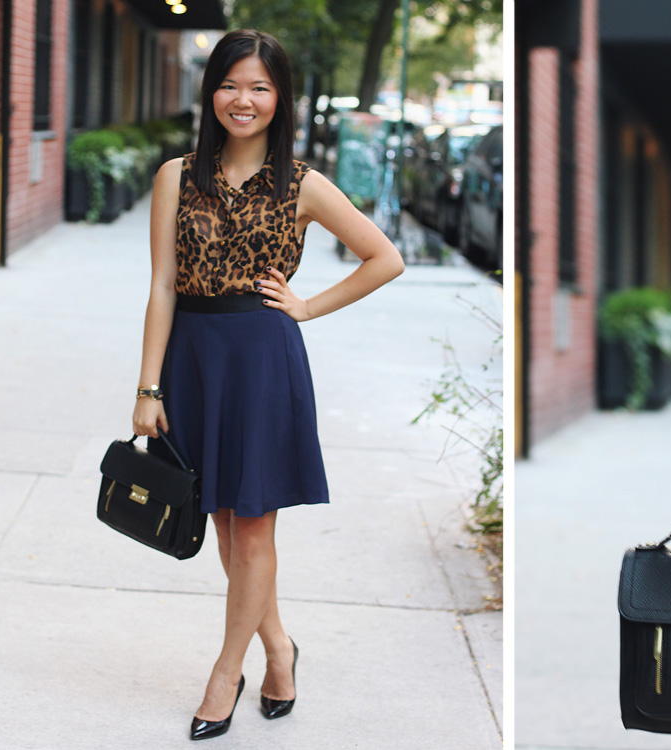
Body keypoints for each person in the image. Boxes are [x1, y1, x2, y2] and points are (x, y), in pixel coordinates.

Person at [131, 29, 404, 741]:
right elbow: (162, 286)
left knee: (252, 527)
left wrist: (308, 306)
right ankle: (279, 648)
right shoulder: (175, 175)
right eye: (230, 84)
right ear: (210, 91)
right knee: (224, 521)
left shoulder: (304, 184)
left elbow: (385, 259)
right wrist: (148, 387)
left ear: (279, 98)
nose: (242, 100)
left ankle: (227, 673)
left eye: (258, 87)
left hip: (261, 359)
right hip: (193, 357)